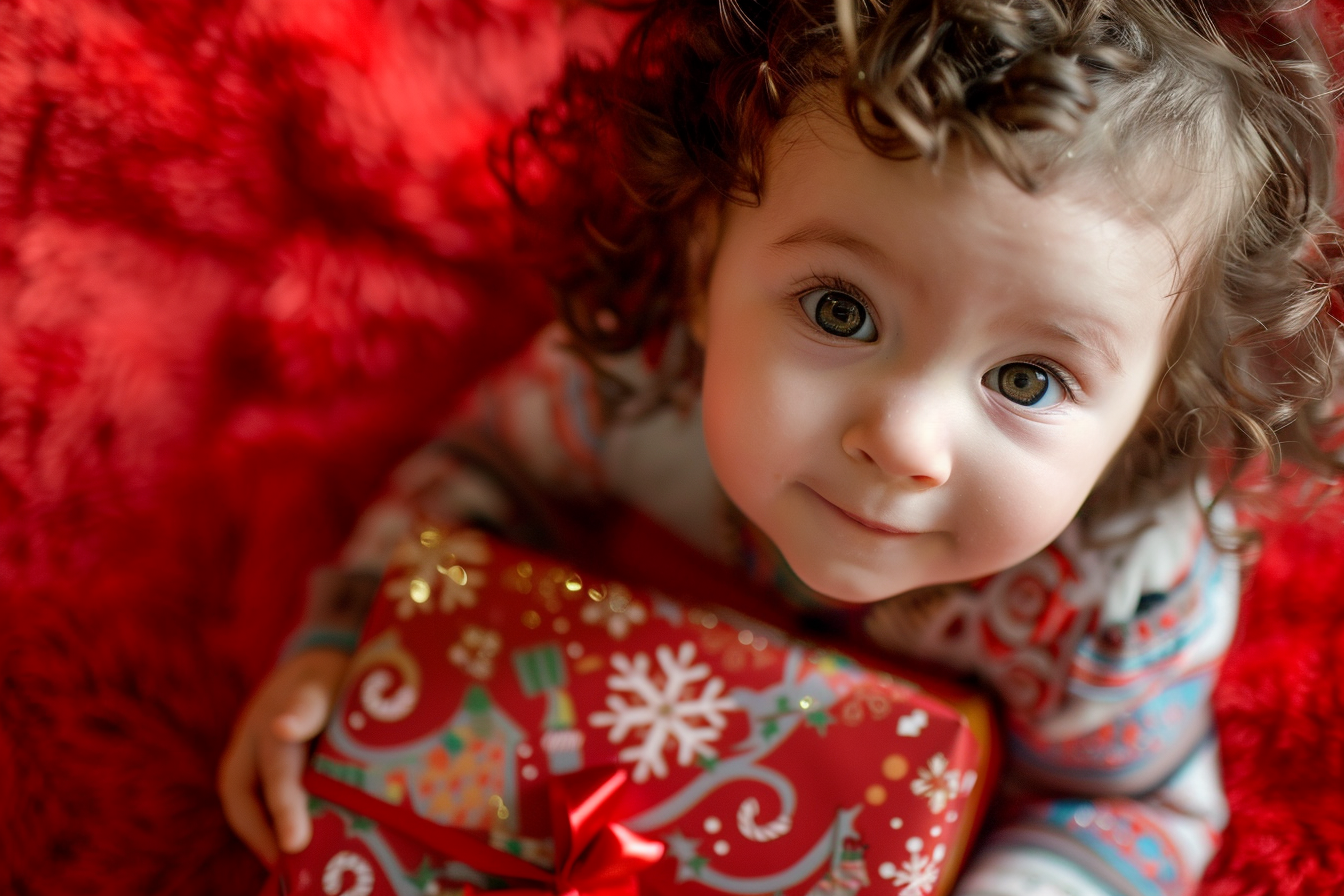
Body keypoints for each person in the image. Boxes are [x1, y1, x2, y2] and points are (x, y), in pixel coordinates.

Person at [218, 0, 1344, 893]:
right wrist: (344, 650)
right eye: (839, 310)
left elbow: (1132, 806)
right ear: (705, 259)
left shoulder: (1112, 599)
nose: (903, 440)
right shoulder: (629, 385)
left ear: (1153, 411)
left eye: (1026, 379)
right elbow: (481, 474)